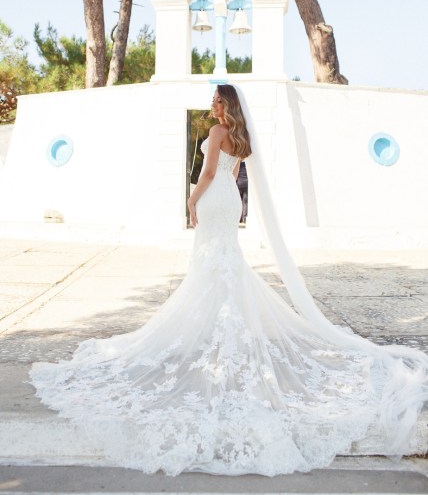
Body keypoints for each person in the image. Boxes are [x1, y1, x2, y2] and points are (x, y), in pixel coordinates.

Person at [30, 84, 428, 477]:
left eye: (217, 99)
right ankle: (220, 323)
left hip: (212, 197)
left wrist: (190, 200)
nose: (212, 104)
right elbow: (234, 171)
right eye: (213, 99)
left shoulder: (219, 132)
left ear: (228, 104)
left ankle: (211, 328)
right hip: (230, 201)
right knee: (223, 262)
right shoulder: (241, 135)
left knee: (210, 263)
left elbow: (207, 172)